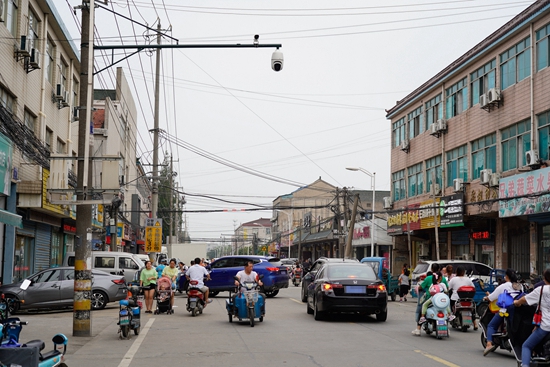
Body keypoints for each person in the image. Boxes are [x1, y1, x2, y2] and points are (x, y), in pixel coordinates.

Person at [513, 269, 550, 367]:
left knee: (526, 345)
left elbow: (524, 299)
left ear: (545, 279)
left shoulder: (542, 290)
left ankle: (525, 365)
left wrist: (516, 303)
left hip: (545, 327)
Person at [482, 268, 519, 356]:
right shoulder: (518, 286)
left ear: (506, 277)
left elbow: (492, 297)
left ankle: (489, 344)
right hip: (518, 310)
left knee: (491, 325)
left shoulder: (503, 286)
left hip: (505, 310)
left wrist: (487, 297)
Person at [412, 263, 449, 336]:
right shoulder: (443, 279)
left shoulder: (428, 278)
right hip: (441, 300)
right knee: (446, 309)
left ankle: (418, 328)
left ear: (431, 269)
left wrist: (418, 288)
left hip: (430, 299)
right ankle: (447, 327)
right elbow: (447, 289)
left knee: (421, 308)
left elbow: (422, 287)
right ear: (439, 269)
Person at [448, 265, 478, 330]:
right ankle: (475, 323)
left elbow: (448, 288)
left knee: (451, 306)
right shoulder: (468, 279)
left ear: (456, 272)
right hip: (467, 298)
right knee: (472, 310)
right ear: (464, 272)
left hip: (456, 298)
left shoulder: (453, 279)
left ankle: (452, 317)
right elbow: (473, 288)